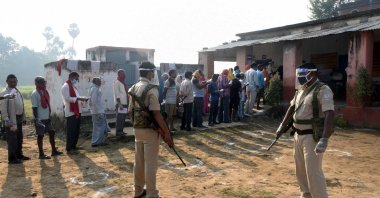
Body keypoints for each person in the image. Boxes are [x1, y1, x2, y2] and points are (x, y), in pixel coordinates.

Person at [276, 63, 334, 198]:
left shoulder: (323, 90)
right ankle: (306, 194)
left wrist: (324, 139)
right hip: (297, 135)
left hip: (312, 137)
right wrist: (281, 126)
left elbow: (329, 113)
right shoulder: (301, 89)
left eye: (302, 74)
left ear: (312, 74)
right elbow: (291, 108)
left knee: (313, 172)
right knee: (300, 170)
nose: (300, 77)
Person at [128, 61, 174, 198]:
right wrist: (166, 132)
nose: (154, 74)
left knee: (139, 162)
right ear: (149, 73)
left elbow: (130, 110)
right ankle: (152, 193)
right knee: (151, 164)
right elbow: (156, 113)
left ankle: (138, 191)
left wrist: (136, 124)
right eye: (153, 72)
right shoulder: (151, 89)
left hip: (137, 129)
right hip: (150, 131)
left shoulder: (133, 87)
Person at [0, 74, 30, 164]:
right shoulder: (4, 92)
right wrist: (6, 119)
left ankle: (19, 154)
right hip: (11, 119)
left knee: (19, 137)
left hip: (19, 117)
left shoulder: (16, 91)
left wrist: (23, 117)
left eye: (15, 81)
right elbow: (3, 108)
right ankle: (12, 158)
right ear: (7, 82)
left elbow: (22, 104)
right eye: (11, 82)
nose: (13, 83)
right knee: (12, 139)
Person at [32, 76, 63, 159]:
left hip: (47, 117)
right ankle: (41, 154)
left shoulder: (45, 92)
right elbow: (34, 107)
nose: (44, 84)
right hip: (40, 118)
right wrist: (37, 119)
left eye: (44, 83)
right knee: (40, 135)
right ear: (37, 84)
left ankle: (54, 151)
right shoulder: (35, 94)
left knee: (52, 132)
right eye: (42, 83)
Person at [61, 72, 88, 154]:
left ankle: (74, 145)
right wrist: (79, 98)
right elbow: (67, 98)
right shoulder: (65, 86)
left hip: (77, 111)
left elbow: (76, 97)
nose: (77, 80)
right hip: (71, 112)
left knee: (76, 130)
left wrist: (82, 99)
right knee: (71, 130)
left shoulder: (73, 87)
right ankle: (69, 147)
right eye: (76, 78)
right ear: (71, 77)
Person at [89, 77, 108, 147]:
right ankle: (97, 142)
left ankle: (98, 141)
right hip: (97, 112)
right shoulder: (94, 89)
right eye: (99, 81)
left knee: (99, 127)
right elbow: (93, 101)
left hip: (98, 111)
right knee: (100, 127)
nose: (100, 83)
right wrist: (98, 112)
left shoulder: (94, 88)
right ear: (95, 82)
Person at [113, 69, 129, 136]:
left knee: (123, 118)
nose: (124, 75)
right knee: (119, 118)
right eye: (122, 74)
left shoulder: (123, 82)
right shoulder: (117, 82)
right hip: (120, 103)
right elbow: (117, 94)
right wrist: (119, 104)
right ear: (119, 74)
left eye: (124, 73)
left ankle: (121, 130)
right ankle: (118, 132)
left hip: (125, 103)